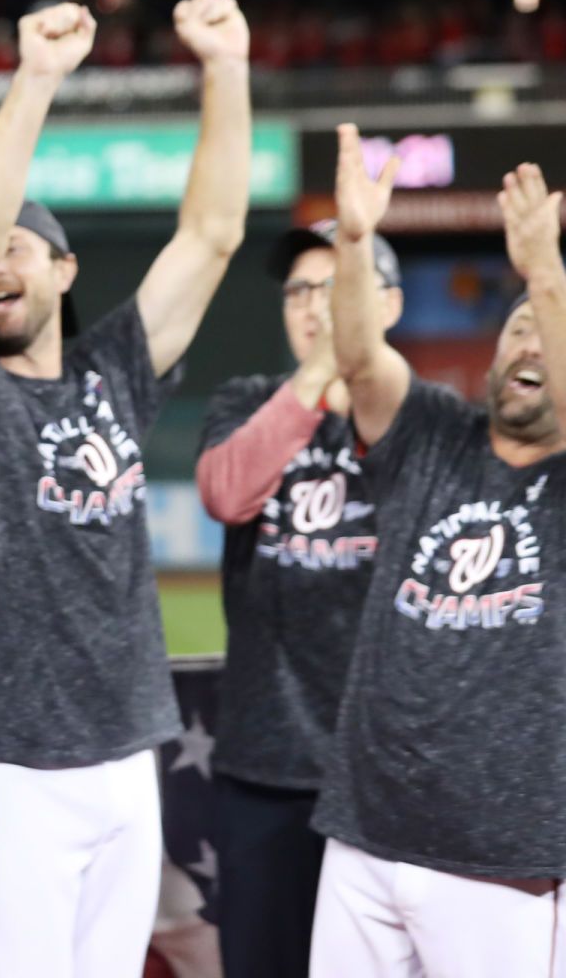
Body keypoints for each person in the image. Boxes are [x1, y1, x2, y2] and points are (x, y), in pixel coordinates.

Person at [0, 0, 251, 978]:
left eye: (21, 244)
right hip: (3, 761)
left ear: (62, 269)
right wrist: (35, 79)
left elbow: (213, 234)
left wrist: (223, 68)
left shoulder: (114, 373)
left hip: (125, 746)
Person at [307, 133, 566, 976]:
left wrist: (545, 276)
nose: (527, 344)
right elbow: (357, 359)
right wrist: (351, 244)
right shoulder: (432, 433)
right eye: (515, 329)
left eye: (546, 333)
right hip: (366, 831)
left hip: (504, 855)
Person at [196, 216, 402, 978]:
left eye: (337, 288)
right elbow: (225, 493)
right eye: (298, 293)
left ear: (390, 305)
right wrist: (316, 377)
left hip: (382, 772)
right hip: (264, 767)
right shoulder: (246, 400)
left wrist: (359, 389)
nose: (314, 306)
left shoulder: (431, 422)